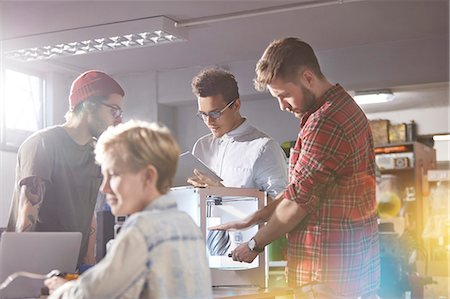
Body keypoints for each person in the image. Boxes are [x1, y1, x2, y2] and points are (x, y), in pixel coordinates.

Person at [218, 38, 380, 298]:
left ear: (307, 77)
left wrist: (254, 244)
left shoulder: (325, 121)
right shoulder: (342, 108)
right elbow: (300, 188)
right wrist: (257, 217)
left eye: (284, 95)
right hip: (344, 270)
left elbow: (298, 202)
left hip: (325, 274)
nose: (282, 105)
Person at [45, 120, 212, 299]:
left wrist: (61, 289)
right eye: (103, 176)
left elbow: (89, 295)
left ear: (148, 176)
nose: (104, 188)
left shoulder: (141, 230)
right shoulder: (187, 224)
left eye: (114, 175)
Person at [6, 70, 125, 265]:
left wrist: (88, 265)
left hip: (70, 269)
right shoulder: (43, 144)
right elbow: (26, 217)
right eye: (113, 110)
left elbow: (89, 215)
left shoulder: (95, 154)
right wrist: (26, 277)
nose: (118, 119)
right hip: (34, 268)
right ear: (88, 105)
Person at [189, 68, 288, 199]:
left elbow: (279, 207)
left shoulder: (265, 148)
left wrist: (224, 194)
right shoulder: (201, 147)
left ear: (236, 105)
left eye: (215, 113)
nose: (209, 121)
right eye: (203, 114)